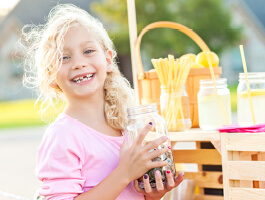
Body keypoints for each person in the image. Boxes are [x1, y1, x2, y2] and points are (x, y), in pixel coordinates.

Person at [21, 3, 184, 200]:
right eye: (64, 58)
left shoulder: (126, 126)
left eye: (88, 51)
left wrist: (153, 193)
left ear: (108, 60)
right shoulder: (62, 136)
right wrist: (124, 173)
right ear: (51, 76)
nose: (79, 63)